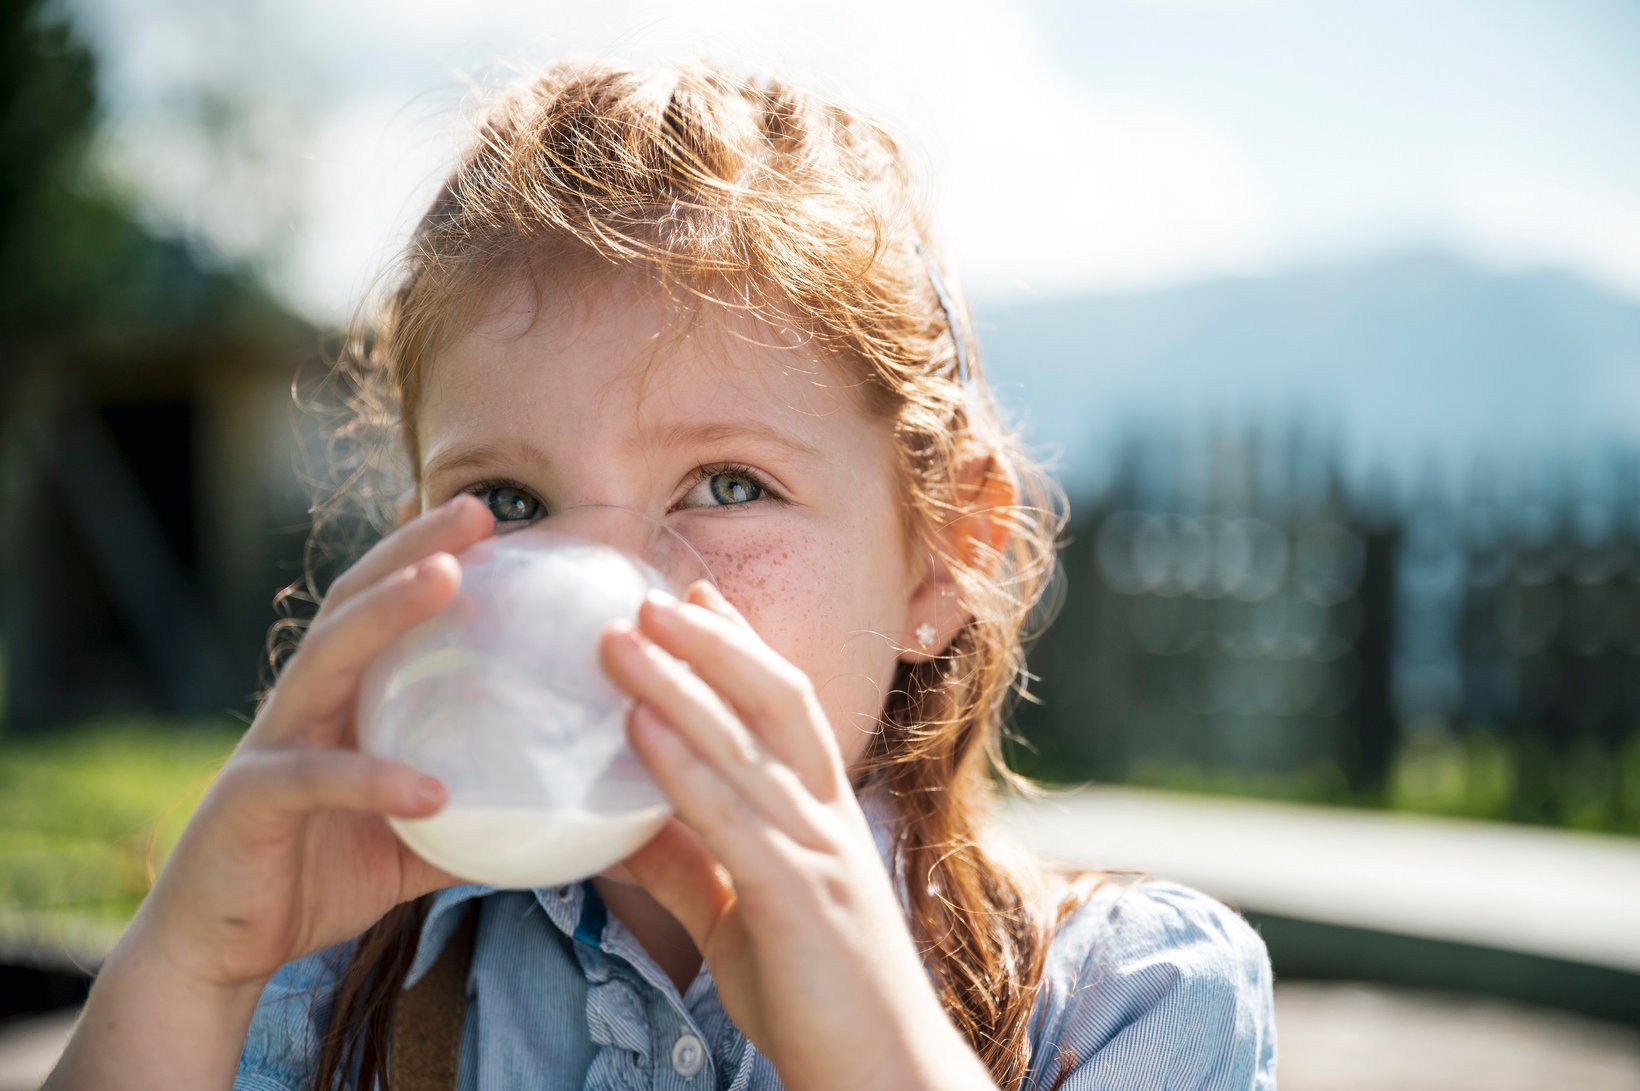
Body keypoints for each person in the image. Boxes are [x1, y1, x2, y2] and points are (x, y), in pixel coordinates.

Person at [45, 59, 1276, 1091]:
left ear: (942, 549)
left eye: (727, 485)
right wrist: (191, 963)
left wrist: (867, 1033)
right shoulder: (330, 993)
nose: (599, 581)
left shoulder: (1128, 995)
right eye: (512, 502)